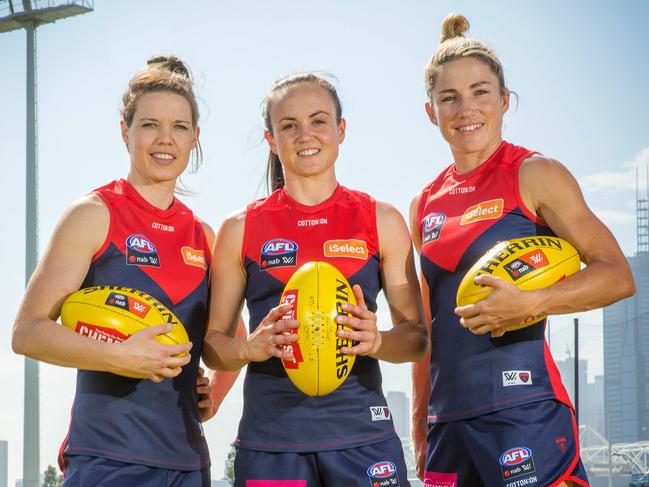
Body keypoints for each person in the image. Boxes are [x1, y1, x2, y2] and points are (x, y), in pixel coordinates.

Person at [409, 13, 635, 487]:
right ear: (430, 111)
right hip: (447, 423)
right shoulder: (423, 203)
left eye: (480, 92)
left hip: (525, 410)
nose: (465, 108)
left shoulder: (535, 173)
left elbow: (617, 275)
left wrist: (533, 302)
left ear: (505, 101)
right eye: (448, 97)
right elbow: (430, 331)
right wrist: (419, 423)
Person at [12, 56, 239, 486]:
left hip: (189, 464)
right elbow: (27, 331)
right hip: (107, 459)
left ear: (195, 138)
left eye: (179, 127)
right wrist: (119, 356)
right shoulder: (93, 215)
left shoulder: (203, 237)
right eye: (150, 124)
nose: (164, 139)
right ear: (125, 131)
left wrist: (215, 396)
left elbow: (231, 337)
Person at [203, 72, 428, 486]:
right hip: (273, 440)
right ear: (272, 139)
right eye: (288, 125)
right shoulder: (240, 228)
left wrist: (376, 340)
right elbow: (215, 347)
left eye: (318, 120)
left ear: (341, 130)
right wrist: (250, 348)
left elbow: (416, 339)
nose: (305, 134)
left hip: (363, 438)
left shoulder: (382, 219)